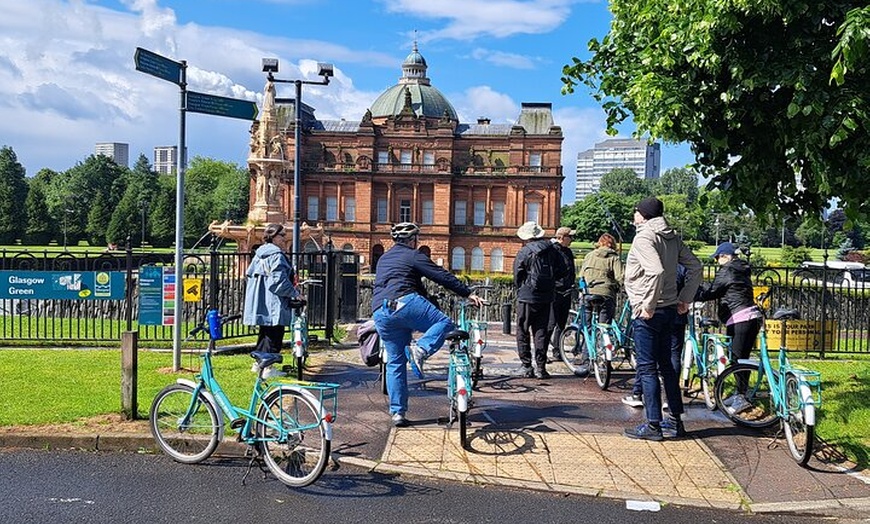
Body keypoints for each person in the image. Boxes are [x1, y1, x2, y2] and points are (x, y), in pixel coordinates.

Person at [372, 222, 485, 428]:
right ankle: (421, 349)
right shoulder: (413, 255)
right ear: (413, 239)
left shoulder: (384, 259)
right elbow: (440, 275)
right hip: (405, 303)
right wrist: (467, 293)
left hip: (381, 311)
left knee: (395, 363)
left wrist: (427, 301)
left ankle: (398, 413)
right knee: (444, 323)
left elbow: (410, 283)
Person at [623, 197, 702, 441]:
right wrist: (685, 298)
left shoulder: (644, 237)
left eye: (636, 211)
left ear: (643, 215)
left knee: (647, 368)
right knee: (667, 367)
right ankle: (675, 422)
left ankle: (653, 425)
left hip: (650, 311)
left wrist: (647, 304)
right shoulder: (673, 237)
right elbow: (696, 267)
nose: (634, 215)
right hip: (669, 309)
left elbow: (655, 270)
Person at [695, 242, 763, 414]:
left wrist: (696, 293)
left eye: (718, 257)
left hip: (740, 317)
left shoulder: (727, 270)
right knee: (741, 357)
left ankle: (742, 397)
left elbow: (712, 291)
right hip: (751, 317)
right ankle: (740, 393)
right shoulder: (742, 269)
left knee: (738, 360)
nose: (717, 261)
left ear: (725, 256)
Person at [623, 263, 688, 409]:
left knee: (647, 362)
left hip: (652, 315)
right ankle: (670, 405)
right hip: (676, 316)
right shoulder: (681, 267)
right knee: (672, 359)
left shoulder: (652, 265)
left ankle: (639, 397)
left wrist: (646, 306)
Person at [513, 221, 569, 379]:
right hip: (547, 296)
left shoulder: (524, 251)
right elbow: (563, 270)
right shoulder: (553, 251)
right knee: (541, 331)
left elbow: (517, 275)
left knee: (523, 330)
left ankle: (526, 366)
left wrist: (522, 287)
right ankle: (541, 368)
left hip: (527, 296)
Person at [242, 223, 299, 378]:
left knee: (265, 332)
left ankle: (257, 364)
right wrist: (294, 293)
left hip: (261, 300)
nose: (284, 239)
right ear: (273, 237)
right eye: (282, 235)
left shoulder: (260, 253)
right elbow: (278, 281)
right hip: (273, 301)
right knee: (275, 332)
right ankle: (268, 369)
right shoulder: (276, 255)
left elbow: (249, 274)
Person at [546, 226, 578, 361]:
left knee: (561, 323)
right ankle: (542, 351)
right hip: (555, 292)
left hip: (566, 291)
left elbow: (571, 270)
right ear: (562, 238)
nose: (572, 239)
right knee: (550, 323)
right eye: (570, 237)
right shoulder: (552, 251)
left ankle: (557, 350)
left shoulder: (568, 252)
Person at [580, 232, 624, 326]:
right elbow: (620, 277)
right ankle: (603, 336)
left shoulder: (589, 255)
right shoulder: (614, 258)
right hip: (606, 293)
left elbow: (582, 275)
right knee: (604, 325)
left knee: (586, 323)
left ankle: (585, 338)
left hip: (588, 292)